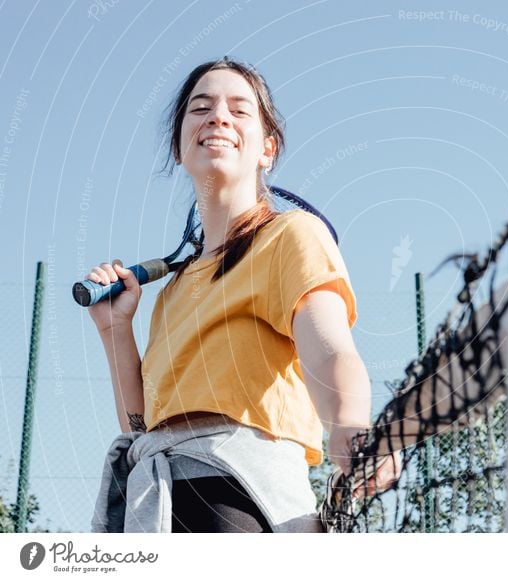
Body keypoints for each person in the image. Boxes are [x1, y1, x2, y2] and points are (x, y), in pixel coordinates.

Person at [86, 57, 398, 533]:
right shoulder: (172, 291)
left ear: (266, 148)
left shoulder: (292, 235)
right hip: (156, 505)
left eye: (239, 109)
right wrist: (115, 331)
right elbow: (142, 429)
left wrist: (351, 425)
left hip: (239, 495)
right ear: (178, 146)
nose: (218, 117)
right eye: (201, 107)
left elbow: (330, 347)